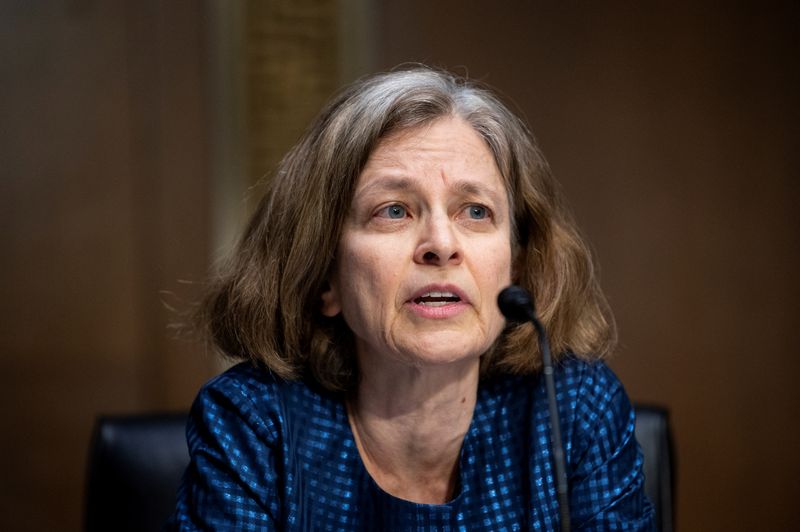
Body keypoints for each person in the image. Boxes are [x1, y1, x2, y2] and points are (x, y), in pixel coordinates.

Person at [168, 65, 654, 530]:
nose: (442, 244)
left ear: (517, 268)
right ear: (324, 278)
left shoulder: (570, 410)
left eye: (476, 211)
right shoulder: (255, 422)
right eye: (394, 210)